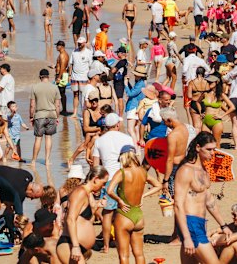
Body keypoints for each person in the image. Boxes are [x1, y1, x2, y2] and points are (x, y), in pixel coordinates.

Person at [175, 132, 230, 264]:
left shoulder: (204, 170)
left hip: (200, 223)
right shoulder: (186, 170)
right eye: (209, 149)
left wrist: (223, 225)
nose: (212, 153)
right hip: (190, 223)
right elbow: (178, 204)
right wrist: (186, 236)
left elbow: (210, 201)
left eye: (214, 149)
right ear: (198, 148)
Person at [106, 145, 161, 264]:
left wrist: (119, 201)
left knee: (124, 255)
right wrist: (143, 195)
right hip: (138, 216)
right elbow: (158, 185)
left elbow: (109, 190)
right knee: (139, 253)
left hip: (124, 215)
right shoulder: (142, 172)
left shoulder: (122, 173)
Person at [92, 113, 134, 253]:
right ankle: (123, 241)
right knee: (124, 212)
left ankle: (105, 246)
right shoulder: (127, 138)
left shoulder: (99, 141)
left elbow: (96, 166)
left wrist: (96, 185)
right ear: (117, 125)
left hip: (108, 178)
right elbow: (134, 161)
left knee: (107, 214)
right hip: (125, 177)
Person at [57, 166, 109, 264]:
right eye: (103, 183)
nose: (104, 187)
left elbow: (84, 220)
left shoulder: (87, 193)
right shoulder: (80, 192)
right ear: (96, 179)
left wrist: (98, 206)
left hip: (77, 244)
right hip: (70, 243)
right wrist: (76, 246)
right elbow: (70, 219)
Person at [0, 165, 44, 242]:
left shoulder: (28, 176)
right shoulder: (19, 190)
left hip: (1, 183)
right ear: (31, 190)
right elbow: (19, 216)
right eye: (34, 197)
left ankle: (0, 228)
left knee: (11, 206)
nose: (31, 199)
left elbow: (16, 205)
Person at [30, 69, 60, 166]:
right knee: (48, 137)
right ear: (48, 77)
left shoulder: (35, 87)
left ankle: (34, 161)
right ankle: (47, 160)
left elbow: (32, 105)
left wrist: (31, 116)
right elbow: (58, 105)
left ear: (40, 77)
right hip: (52, 115)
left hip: (40, 115)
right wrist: (57, 117)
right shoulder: (55, 87)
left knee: (38, 138)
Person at [160, 107, 191, 198]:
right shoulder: (184, 128)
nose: (164, 124)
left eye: (164, 121)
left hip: (175, 168)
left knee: (175, 197)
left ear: (169, 120)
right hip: (184, 164)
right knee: (183, 195)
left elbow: (170, 159)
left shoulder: (172, 136)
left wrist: (165, 180)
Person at [69, 37, 93, 117]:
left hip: (84, 77)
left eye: (81, 43)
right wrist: (69, 75)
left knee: (84, 95)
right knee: (75, 95)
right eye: (78, 43)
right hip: (74, 77)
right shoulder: (74, 52)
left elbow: (90, 66)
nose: (79, 44)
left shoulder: (89, 52)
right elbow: (71, 64)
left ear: (84, 43)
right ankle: (75, 112)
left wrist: (90, 78)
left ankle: (84, 112)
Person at [55, 40, 71, 116]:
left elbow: (63, 67)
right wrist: (55, 66)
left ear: (61, 46)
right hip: (62, 74)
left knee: (61, 93)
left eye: (57, 46)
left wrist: (58, 77)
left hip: (61, 75)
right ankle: (63, 109)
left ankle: (64, 110)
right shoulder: (62, 54)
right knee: (61, 93)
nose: (56, 47)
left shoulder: (63, 55)